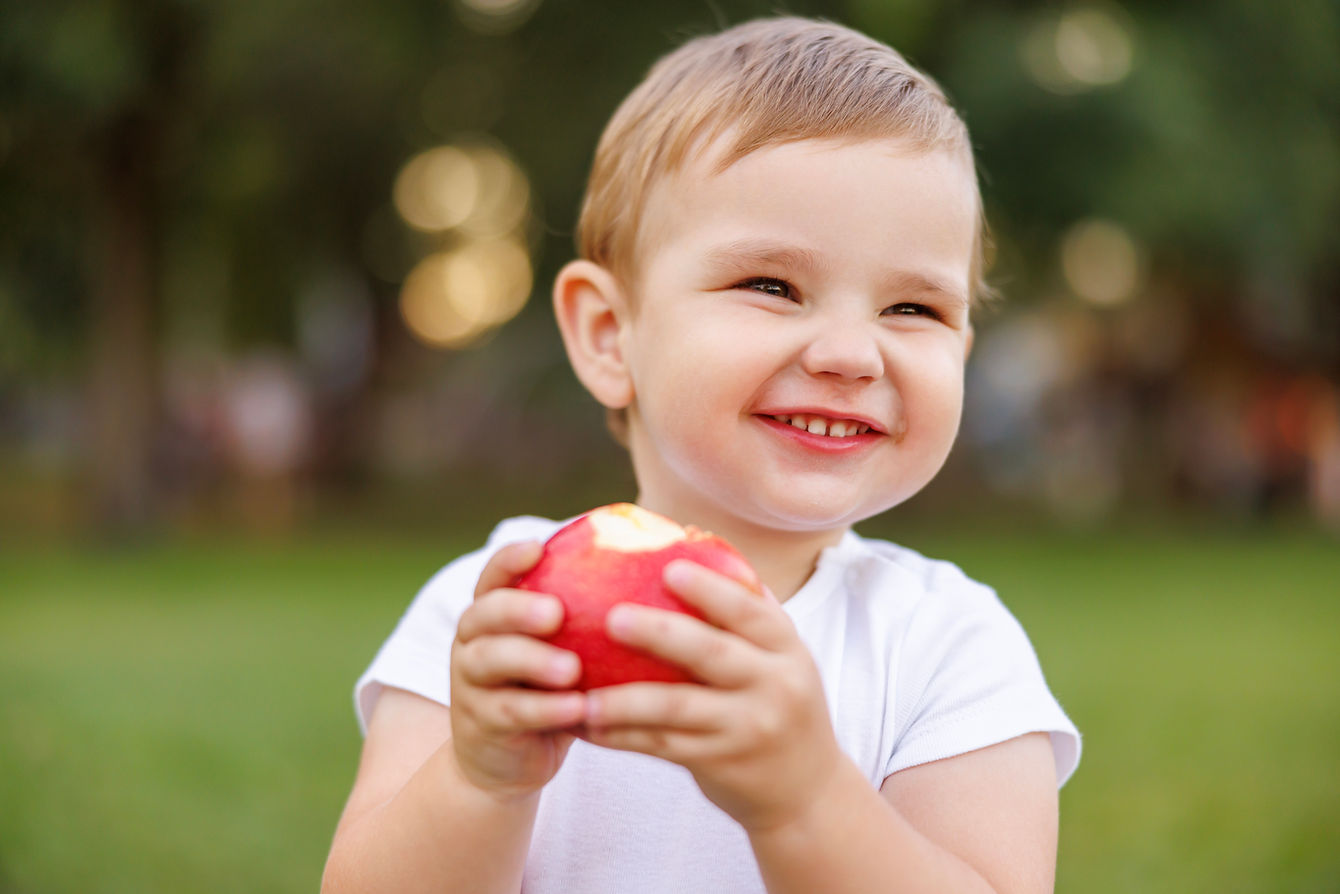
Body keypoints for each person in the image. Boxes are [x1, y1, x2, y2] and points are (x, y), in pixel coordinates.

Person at [323, 16, 1080, 894]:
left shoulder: (949, 646)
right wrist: (477, 776)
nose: (851, 353)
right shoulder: (496, 609)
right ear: (611, 335)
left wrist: (807, 799)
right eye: (772, 286)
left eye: (914, 309)